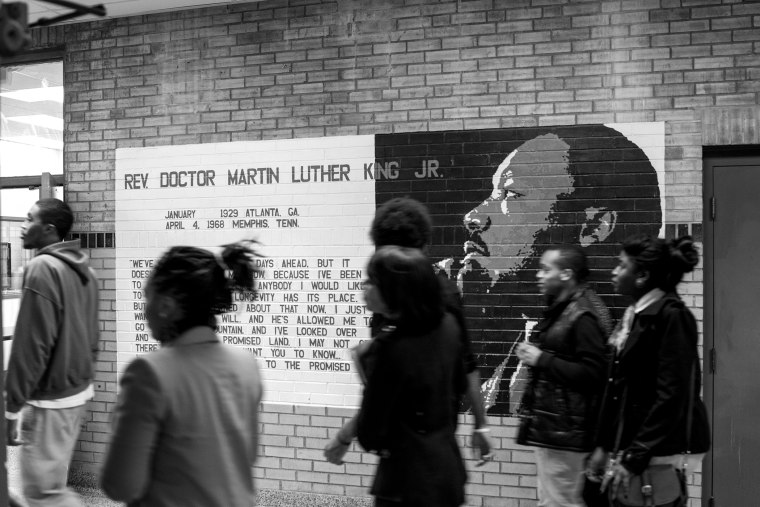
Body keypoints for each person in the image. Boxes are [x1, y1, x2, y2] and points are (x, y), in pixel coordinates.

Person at [425, 125, 660, 415]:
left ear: (594, 226)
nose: (472, 217)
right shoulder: (532, 328)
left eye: (511, 194)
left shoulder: (585, 319)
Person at [324, 197, 491, 466]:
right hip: (438, 450)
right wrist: (481, 426)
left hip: (408, 455)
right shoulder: (442, 303)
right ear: (424, 246)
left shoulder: (403, 327)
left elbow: (380, 400)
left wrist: (344, 437)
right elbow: (466, 366)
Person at [100, 241, 264, 507]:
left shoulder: (148, 373)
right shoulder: (246, 364)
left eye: (146, 297)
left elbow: (120, 485)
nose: (145, 309)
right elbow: (248, 455)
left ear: (165, 305)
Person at [586, 235, 710, 504]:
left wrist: (635, 457)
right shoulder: (636, 314)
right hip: (630, 445)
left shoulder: (672, 316)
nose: (614, 271)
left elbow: (672, 395)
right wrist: (603, 444)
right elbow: (617, 386)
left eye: (621, 265)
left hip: (655, 451)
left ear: (642, 275)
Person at [355, 246, 467, 507]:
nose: (364, 286)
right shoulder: (448, 325)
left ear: (393, 290)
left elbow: (369, 433)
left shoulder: (389, 349)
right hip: (447, 469)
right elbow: (458, 384)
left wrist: (364, 367)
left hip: (405, 482)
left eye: (371, 281)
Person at [5, 198, 100, 507]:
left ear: (48, 229)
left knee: (44, 494)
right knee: (50, 485)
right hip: (77, 394)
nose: (22, 225)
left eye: (28, 219)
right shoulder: (86, 272)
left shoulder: (42, 268)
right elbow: (93, 337)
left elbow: (31, 347)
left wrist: (10, 408)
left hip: (51, 399)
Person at [515, 245, 609, 507]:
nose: (538, 276)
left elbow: (593, 373)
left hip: (565, 430)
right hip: (558, 428)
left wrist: (540, 358)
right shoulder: (565, 309)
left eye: (546, 270)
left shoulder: (582, 315)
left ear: (567, 274)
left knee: (560, 503)